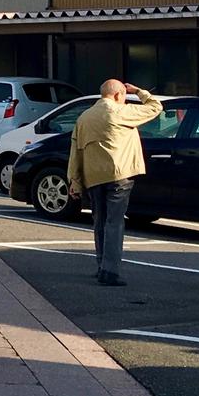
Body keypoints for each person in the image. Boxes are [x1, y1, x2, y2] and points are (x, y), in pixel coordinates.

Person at [66, 79, 163, 286]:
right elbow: (155, 107)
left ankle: (101, 265)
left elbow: (76, 152)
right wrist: (138, 91)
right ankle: (110, 271)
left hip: (93, 177)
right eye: (124, 96)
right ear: (119, 95)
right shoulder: (120, 112)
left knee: (99, 220)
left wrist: (74, 180)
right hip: (119, 174)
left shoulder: (84, 117)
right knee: (115, 223)